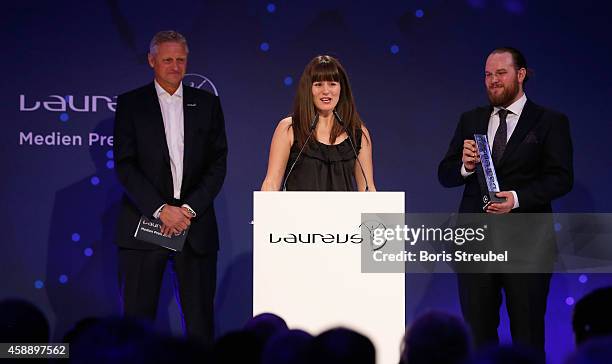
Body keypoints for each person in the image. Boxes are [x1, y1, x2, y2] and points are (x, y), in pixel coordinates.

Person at [438, 47, 573, 350]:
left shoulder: (550, 121)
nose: (493, 80)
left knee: (527, 336)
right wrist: (465, 166)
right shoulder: (470, 119)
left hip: (527, 245)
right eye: (488, 74)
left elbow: (561, 178)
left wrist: (516, 198)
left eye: (501, 73)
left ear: (521, 75)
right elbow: (445, 174)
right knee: (477, 336)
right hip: (475, 245)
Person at [113, 30, 227, 346]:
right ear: (152, 61)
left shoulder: (207, 104)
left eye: (180, 59)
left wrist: (187, 210)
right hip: (146, 224)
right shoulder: (131, 104)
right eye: (167, 60)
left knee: (200, 325)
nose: (175, 66)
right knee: (136, 325)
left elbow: (218, 163)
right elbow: (125, 165)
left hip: (196, 227)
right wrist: (162, 210)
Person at [261, 55, 375, 191]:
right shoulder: (289, 129)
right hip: (298, 212)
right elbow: (271, 183)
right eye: (318, 84)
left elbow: (368, 190)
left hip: (344, 213)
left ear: (341, 89)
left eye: (332, 84)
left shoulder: (357, 134)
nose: (326, 91)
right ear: (308, 89)